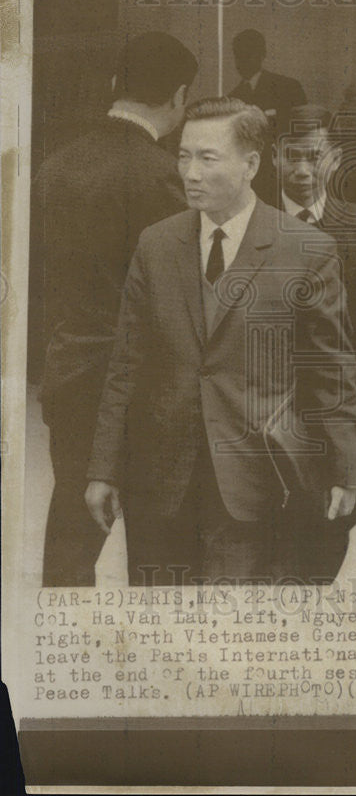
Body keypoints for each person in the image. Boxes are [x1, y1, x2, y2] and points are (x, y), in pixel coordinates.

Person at [85, 97, 356, 586]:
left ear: (251, 164)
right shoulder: (156, 243)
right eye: (183, 156)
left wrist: (347, 468)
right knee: (162, 636)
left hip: (256, 481)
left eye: (207, 158)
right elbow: (126, 366)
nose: (190, 172)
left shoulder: (305, 250)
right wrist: (104, 469)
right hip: (161, 484)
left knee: (233, 634)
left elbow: (331, 370)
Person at [34, 31, 198, 586]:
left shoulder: (54, 167)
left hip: (72, 373)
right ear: (178, 98)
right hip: (144, 386)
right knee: (159, 544)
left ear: (113, 85)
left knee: (71, 539)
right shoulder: (162, 175)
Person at [272, 105, 356, 427]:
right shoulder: (252, 222)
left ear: (335, 160)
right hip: (266, 393)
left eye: (315, 157)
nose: (303, 170)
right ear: (273, 158)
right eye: (292, 156)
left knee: (342, 474)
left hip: (343, 390)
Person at [229, 28, 307, 203]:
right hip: (250, 179)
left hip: (283, 177)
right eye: (238, 56)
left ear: (261, 55)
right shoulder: (232, 98)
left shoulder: (287, 87)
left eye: (248, 54)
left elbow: (303, 131)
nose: (242, 61)